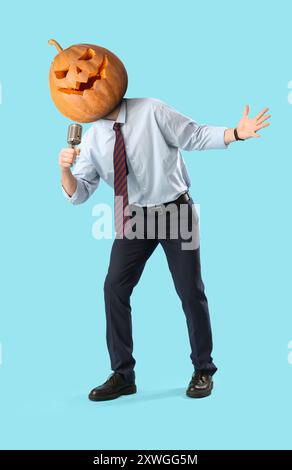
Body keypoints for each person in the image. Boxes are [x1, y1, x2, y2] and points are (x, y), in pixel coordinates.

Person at [59, 98, 270, 400]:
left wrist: (235, 133)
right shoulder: (93, 137)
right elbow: (79, 193)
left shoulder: (151, 110)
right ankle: (122, 375)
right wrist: (65, 170)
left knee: (190, 290)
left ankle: (203, 370)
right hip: (133, 217)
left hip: (175, 211)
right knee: (114, 288)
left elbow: (194, 135)